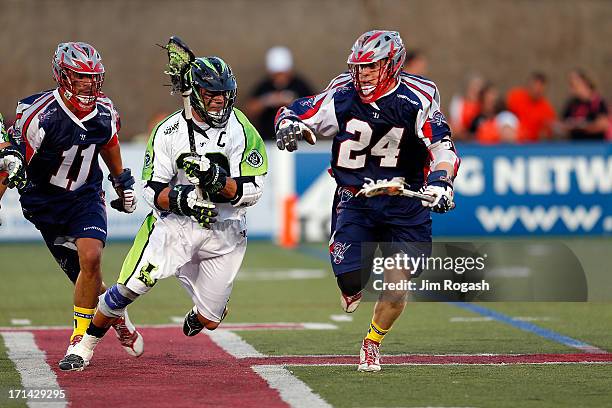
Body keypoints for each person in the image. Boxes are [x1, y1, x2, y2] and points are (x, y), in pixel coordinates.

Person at [60, 56, 267, 371]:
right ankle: (84, 346)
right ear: (194, 93)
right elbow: (151, 191)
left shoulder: (241, 128)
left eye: (224, 93)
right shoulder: (168, 131)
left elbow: (254, 189)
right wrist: (183, 198)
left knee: (210, 320)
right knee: (130, 287)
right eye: (211, 93)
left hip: (225, 229)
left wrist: (216, 180)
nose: (220, 100)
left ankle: (202, 312)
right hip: (176, 226)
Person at [275, 30, 459, 372]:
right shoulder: (343, 93)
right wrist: (289, 126)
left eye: (371, 67)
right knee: (350, 281)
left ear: (392, 65)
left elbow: (442, 148)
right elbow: (296, 112)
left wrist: (442, 181)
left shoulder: (417, 97)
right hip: (355, 198)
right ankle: (353, 283)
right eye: (359, 67)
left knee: (397, 282)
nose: (363, 75)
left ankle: (372, 342)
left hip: (406, 202)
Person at [0, 42, 143, 368]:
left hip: (85, 196)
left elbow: (109, 142)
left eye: (93, 78)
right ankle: (116, 316)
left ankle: (80, 339)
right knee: (82, 273)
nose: (88, 85)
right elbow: (11, 163)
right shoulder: (40, 115)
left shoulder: (105, 111)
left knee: (91, 256)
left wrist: (121, 181)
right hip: (44, 202)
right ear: (62, 76)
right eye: (80, 78)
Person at [246, 46, 313, 140]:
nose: (280, 77)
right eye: (276, 73)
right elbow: (249, 110)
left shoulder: (300, 85)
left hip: (298, 141)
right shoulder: (264, 86)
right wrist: (267, 101)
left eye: (283, 73)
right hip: (269, 141)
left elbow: (315, 109)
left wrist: (293, 102)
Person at [506, 72, 556, 142]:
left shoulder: (547, 109)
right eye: (535, 86)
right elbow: (504, 117)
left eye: (540, 88)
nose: (537, 90)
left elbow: (547, 134)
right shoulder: (515, 97)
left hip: (532, 145)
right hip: (513, 141)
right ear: (529, 85)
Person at [561, 68, 610, 140]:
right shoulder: (572, 103)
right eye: (571, 85)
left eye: (574, 85)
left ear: (585, 82)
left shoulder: (598, 102)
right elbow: (563, 124)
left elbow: (604, 125)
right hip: (575, 146)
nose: (572, 89)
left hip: (595, 146)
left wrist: (584, 126)